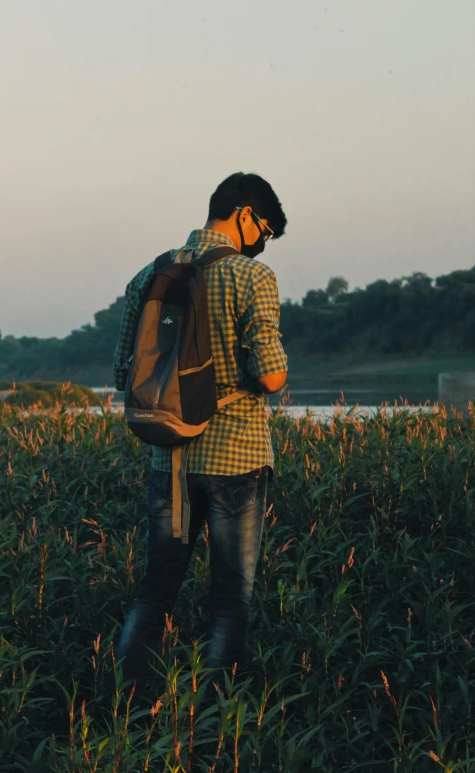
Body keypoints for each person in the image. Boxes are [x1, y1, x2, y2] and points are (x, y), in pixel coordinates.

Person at [110, 171, 288, 705]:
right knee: (231, 599)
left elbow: (125, 369)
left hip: (169, 459)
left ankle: (127, 713)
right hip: (236, 454)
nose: (263, 242)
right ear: (243, 215)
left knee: (156, 590)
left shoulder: (152, 272)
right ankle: (212, 728)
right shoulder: (250, 277)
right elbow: (272, 374)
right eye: (265, 229)